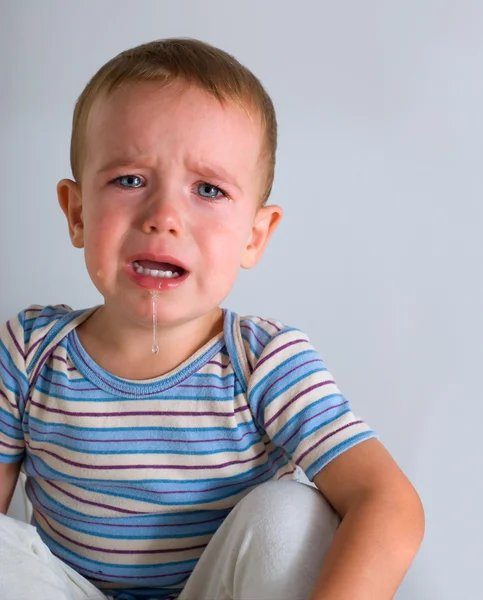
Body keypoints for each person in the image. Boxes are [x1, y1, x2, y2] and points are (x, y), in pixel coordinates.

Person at [0, 38, 424, 600]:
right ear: (78, 213)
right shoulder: (29, 351)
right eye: (130, 180)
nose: (165, 217)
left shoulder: (263, 361)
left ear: (255, 235)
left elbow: (388, 503)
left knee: (292, 512)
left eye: (208, 189)